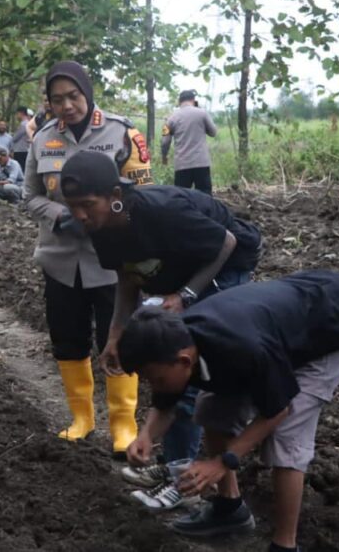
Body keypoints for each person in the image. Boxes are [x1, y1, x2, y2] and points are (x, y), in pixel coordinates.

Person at [59, 150, 262, 509]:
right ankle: (173, 463)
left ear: (115, 196)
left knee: (184, 366)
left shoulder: (161, 212)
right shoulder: (100, 226)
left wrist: (185, 296)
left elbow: (225, 242)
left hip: (222, 264)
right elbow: (128, 278)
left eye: (87, 204)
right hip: (177, 270)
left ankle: (181, 477)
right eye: (72, 206)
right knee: (165, 361)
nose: (80, 215)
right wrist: (115, 334)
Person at [117, 270, 339, 552]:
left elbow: (278, 409)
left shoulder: (242, 348)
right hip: (274, 335)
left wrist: (222, 462)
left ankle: (285, 545)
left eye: (156, 380)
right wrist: (146, 435)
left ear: (184, 361)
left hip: (326, 330)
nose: (154, 386)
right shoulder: (176, 345)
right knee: (212, 409)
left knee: (286, 436)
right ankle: (229, 509)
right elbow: (165, 399)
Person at [23, 60, 152, 456]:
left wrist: (103, 218)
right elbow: (30, 196)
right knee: (68, 339)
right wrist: (60, 214)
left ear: (87, 93)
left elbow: (143, 193)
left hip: (111, 261)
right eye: (57, 99)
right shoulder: (42, 139)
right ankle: (81, 419)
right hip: (60, 259)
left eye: (73, 96)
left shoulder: (122, 133)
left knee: (118, 339)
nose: (67, 106)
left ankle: (123, 425)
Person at [162, 89, 218, 194]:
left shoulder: (170, 119)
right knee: (205, 195)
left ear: (179, 102)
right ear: (193, 100)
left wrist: (164, 157)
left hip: (182, 165)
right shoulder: (202, 113)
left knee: (181, 197)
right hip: (201, 163)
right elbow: (213, 132)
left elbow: (165, 142)